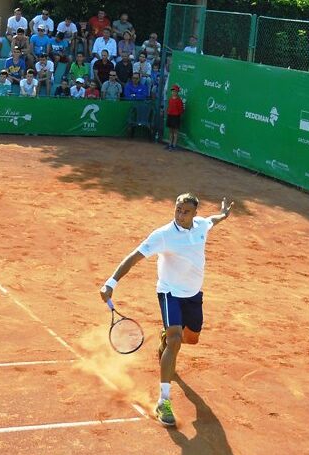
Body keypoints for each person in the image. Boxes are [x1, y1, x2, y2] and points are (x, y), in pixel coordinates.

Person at [100, 193, 234, 427]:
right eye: (178, 210)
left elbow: (213, 221)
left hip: (193, 295)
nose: (180, 215)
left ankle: (165, 338)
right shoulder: (163, 235)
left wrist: (223, 214)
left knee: (191, 339)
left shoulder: (202, 225)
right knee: (176, 341)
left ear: (194, 213)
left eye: (186, 211)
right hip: (169, 292)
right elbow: (134, 256)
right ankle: (164, 400)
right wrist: (111, 283)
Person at [165, 84, 184, 150]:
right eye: (172, 91)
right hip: (170, 116)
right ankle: (170, 144)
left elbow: (181, 110)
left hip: (176, 117)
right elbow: (168, 107)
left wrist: (179, 116)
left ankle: (174, 145)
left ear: (177, 92)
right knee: (170, 132)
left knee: (175, 132)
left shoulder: (179, 101)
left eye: (175, 91)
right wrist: (167, 112)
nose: (173, 92)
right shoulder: (170, 99)